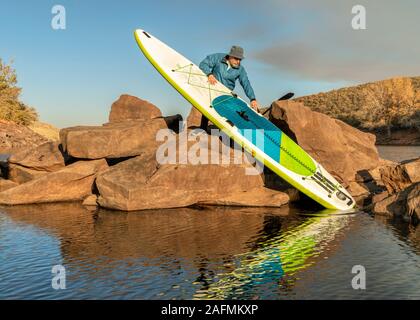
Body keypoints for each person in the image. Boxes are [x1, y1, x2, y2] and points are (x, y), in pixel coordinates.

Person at [197, 45, 259, 132]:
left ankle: (226, 130)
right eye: (236, 58)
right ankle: (203, 128)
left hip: (226, 92)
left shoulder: (240, 70)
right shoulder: (218, 57)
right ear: (230, 56)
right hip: (213, 87)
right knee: (208, 106)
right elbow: (203, 64)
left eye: (240, 59)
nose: (238, 61)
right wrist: (209, 74)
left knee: (226, 111)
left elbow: (246, 83)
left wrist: (252, 98)